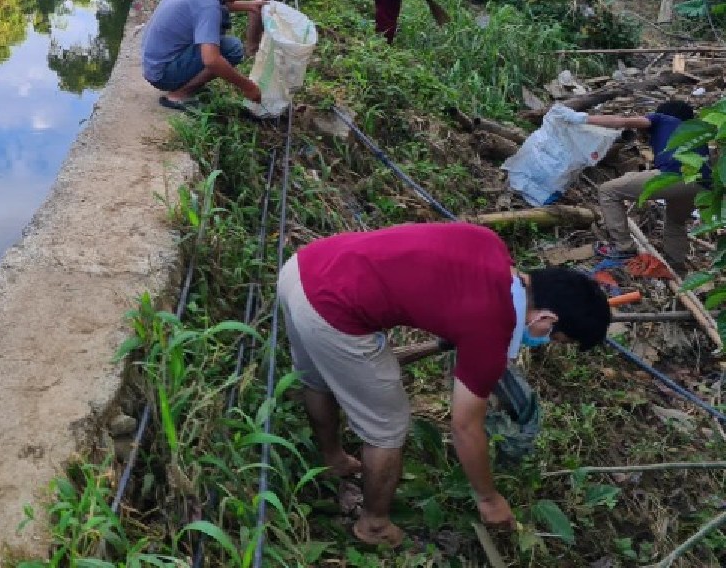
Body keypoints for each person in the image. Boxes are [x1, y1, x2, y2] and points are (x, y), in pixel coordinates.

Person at [277, 221, 610, 548]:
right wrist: (489, 498)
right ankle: (374, 526)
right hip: (332, 312)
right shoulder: (492, 327)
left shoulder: (490, 245)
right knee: (388, 430)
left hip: (304, 267)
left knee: (317, 380)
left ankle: (332, 460)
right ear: (546, 318)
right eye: (554, 338)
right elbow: (465, 426)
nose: (545, 341)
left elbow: (438, 282)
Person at [562, 100, 711, 269]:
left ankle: (624, 247)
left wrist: (582, 118)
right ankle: (676, 264)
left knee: (608, 191)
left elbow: (621, 122)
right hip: (701, 185)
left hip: (675, 176)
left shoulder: (662, 119)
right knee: (675, 222)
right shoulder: (697, 132)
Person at [141, 0, 264, 112]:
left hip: (153, 62)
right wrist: (248, 87)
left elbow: (214, 4)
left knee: (219, 23)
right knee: (232, 48)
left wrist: (249, 6)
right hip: (162, 73)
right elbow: (211, 60)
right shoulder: (208, 4)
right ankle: (178, 95)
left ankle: (186, 80)